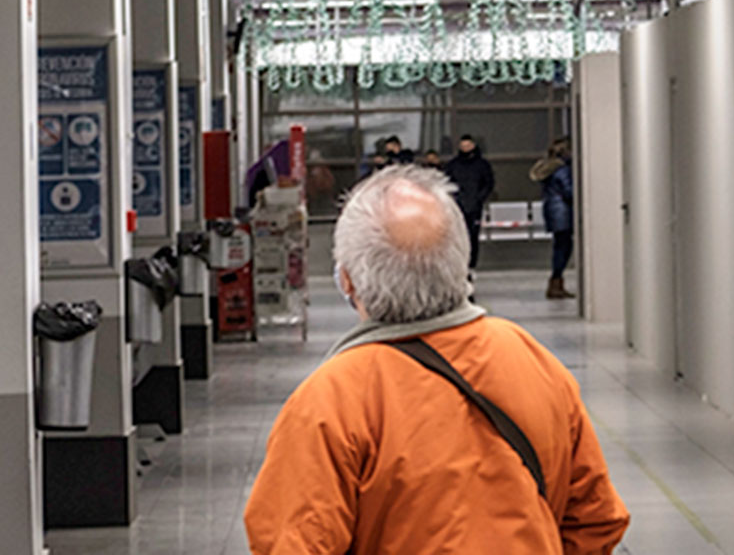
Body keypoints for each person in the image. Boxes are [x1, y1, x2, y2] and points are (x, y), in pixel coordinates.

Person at [245, 166, 629, 553]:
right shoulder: (531, 360)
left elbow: (291, 543)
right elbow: (596, 519)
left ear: (347, 280)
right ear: (459, 262)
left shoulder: (331, 401)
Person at [530, 137, 576, 301]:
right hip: (563, 212)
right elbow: (569, 191)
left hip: (553, 211)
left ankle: (556, 282)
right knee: (564, 247)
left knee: (559, 246)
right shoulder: (562, 170)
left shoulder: (549, 168)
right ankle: (556, 282)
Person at [442, 135, 496, 270]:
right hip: (458, 206)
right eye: (463, 146)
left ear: (473, 145)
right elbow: (446, 182)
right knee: (458, 236)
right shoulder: (453, 165)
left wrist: (480, 198)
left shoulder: (482, 165)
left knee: (473, 236)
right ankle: (459, 263)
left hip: (475, 205)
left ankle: (471, 263)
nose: (465, 148)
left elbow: (488, 183)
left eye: (468, 145)